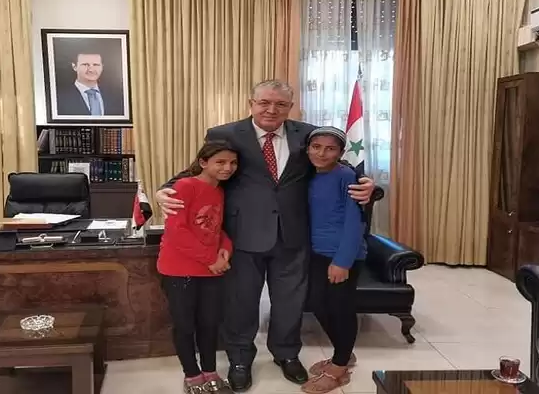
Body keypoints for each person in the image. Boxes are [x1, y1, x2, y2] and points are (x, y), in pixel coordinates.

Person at [156, 80, 376, 392]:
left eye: (280, 104)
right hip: (243, 235)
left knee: (290, 302)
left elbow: (336, 166)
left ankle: (286, 354)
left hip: (294, 235)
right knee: (241, 302)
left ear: (290, 107)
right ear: (251, 103)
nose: (271, 110)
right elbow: (200, 169)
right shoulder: (225, 134)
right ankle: (240, 359)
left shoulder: (307, 135)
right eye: (264, 103)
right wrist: (164, 188)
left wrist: (371, 186)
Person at [156, 140, 239, 394]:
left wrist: (225, 249)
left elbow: (216, 227)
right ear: (203, 162)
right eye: (220, 162)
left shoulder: (219, 190)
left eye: (233, 163)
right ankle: (192, 375)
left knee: (210, 323)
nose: (227, 168)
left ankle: (210, 371)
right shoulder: (184, 186)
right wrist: (211, 259)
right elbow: (177, 231)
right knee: (185, 325)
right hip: (179, 269)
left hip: (210, 270)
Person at [301, 127, 367, 394]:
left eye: (330, 149)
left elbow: (355, 221)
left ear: (340, 153)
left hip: (342, 254)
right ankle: (344, 353)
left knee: (340, 308)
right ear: (307, 148)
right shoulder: (307, 174)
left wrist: (343, 261)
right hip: (316, 252)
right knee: (318, 304)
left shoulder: (346, 176)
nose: (321, 153)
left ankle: (339, 367)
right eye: (316, 147)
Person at [55, 52, 123, 117]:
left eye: (96, 65)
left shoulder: (117, 96)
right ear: (74, 67)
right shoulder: (59, 98)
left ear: (102, 67)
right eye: (85, 65)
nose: (91, 70)